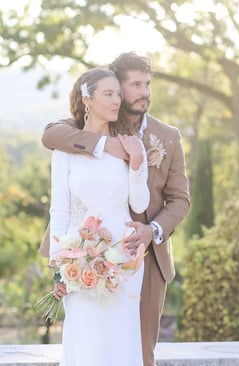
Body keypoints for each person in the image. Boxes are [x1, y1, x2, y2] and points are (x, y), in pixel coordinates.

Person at [39, 52, 190, 366]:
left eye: (147, 84)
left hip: (144, 254)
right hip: (82, 249)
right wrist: (105, 146)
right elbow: (50, 135)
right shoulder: (91, 126)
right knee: (88, 340)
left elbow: (180, 200)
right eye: (134, 85)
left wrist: (152, 230)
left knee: (139, 348)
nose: (143, 92)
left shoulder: (167, 137)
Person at [48, 67, 149, 365]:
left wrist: (137, 162)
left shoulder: (131, 144)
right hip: (76, 258)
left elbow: (140, 203)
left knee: (120, 340)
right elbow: (60, 210)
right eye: (109, 94)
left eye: (118, 94)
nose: (117, 100)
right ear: (87, 99)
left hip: (124, 256)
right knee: (86, 337)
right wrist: (58, 266)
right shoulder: (65, 151)